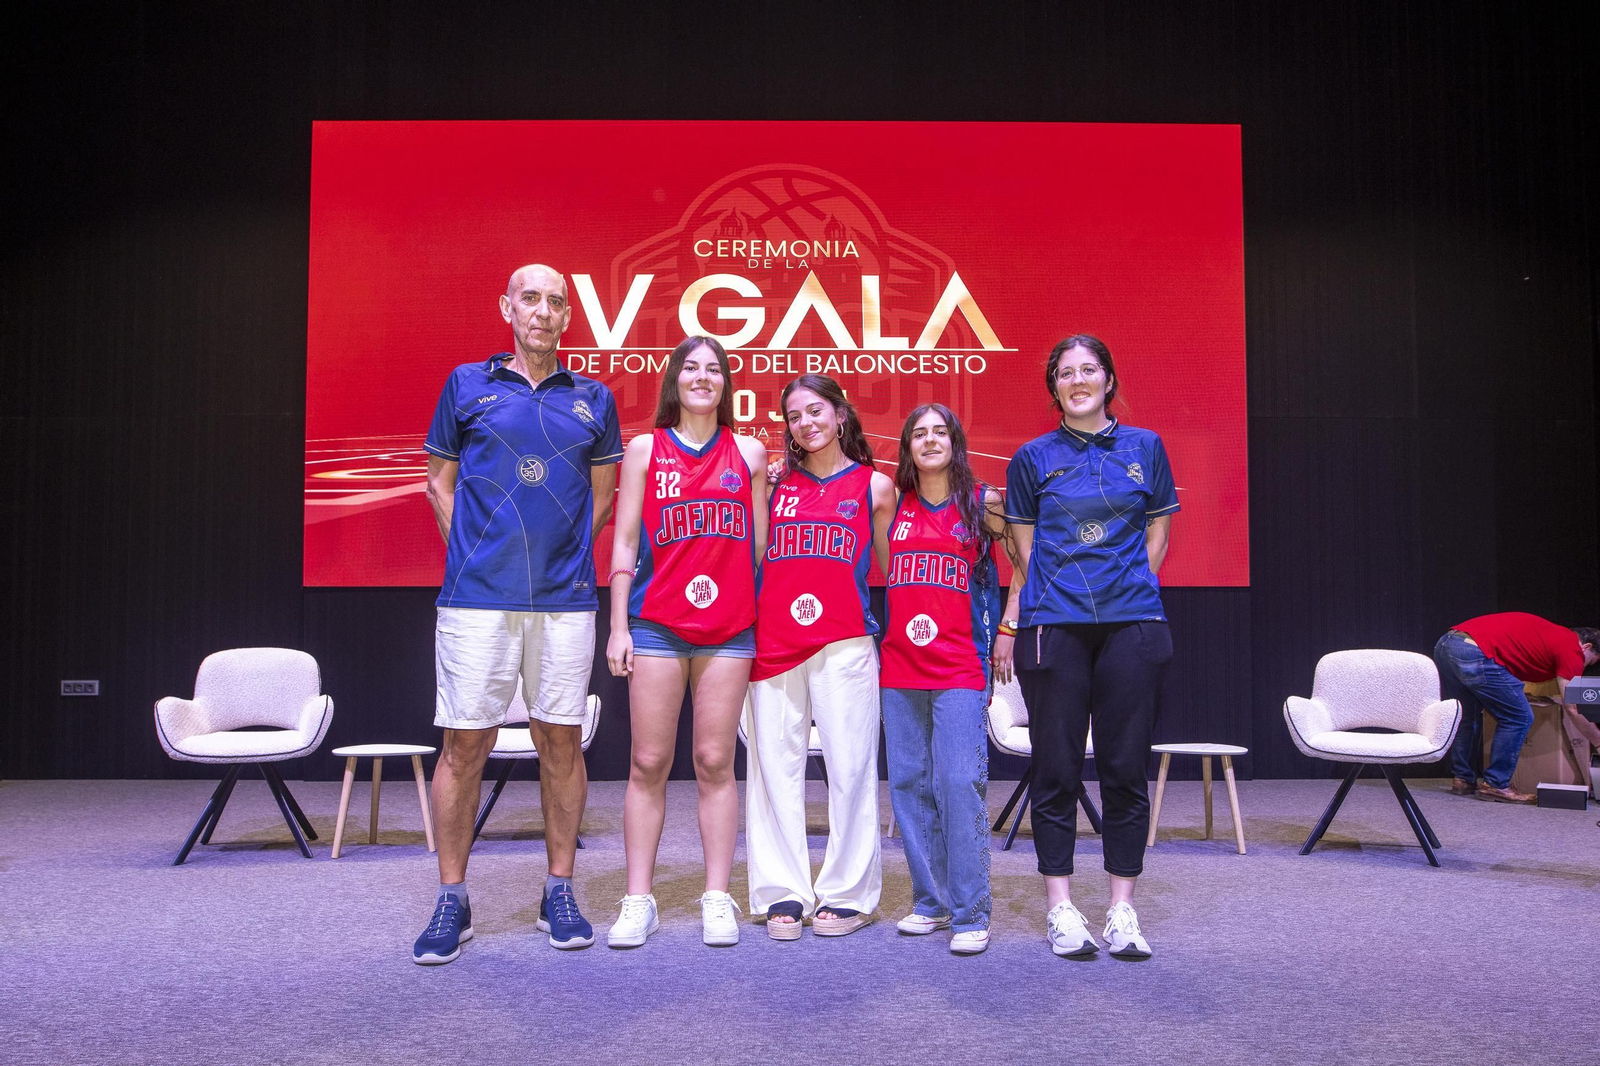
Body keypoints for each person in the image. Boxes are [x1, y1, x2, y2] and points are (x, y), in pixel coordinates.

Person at [412, 264, 622, 964]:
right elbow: (437, 484)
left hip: (564, 603)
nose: (542, 311)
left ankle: (558, 889)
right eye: (529, 298)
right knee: (463, 747)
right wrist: (474, 557)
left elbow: (601, 497)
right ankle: (451, 897)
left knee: (561, 743)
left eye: (555, 301)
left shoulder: (594, 397)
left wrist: (555, 559)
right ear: (507, 306)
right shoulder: (466, 385)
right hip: (475, 602)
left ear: (568, 316)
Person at [1002, 333, 1178, 960]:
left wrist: (1124, 584)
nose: (1077, 381)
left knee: (1126, 770)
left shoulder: (1146, 448)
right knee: (1055, 768)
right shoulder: (1031, 457)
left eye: (1088, 370)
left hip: (1134, 624)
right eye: (1065, 374)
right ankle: (1061, 908)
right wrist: (1064, 590)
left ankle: (1122, 910)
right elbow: (1021, 546)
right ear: (1054, 387)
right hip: (1055, 626)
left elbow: (1158, 532)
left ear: (1108, 379)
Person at [603, 336, 770, 948]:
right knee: (648, 762)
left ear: (726, 385)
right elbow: (623, 543)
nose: (703, 378)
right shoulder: (645, 449)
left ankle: (717, 896)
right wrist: (618, 626)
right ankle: (638, 899)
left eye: (714, 370)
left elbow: (758, 550)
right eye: (691, 369)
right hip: (654, 624)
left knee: (714, 762)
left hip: (730, 630)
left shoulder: (749, 453)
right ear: (674, 380)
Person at [745, 374, 895, 940]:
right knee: (773, 770)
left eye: (816, 411)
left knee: (852, 768)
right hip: (776, 642)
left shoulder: (874, 487)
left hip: (846, 641)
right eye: (794, 416)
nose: (805, 423)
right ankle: (783, 891)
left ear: (839, 414)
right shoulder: (774, 487)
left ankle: (848, 894)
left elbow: (893, 570)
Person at [880, 404, 1006, 955]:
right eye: (919, 434)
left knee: (959, 783)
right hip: (900, 666)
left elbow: (1024, 565)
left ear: (955, 441)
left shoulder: (984, 505)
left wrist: (1008, 628)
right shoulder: (892, 505)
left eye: (940, 432)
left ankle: (971, 908)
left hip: (961, 666)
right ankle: (929, 902)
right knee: (909, 785)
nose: (929, 441)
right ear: (907, 446)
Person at [1433, 613, 1599, 803]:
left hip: (1448, 643)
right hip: (1474, 650)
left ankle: (1463, 779)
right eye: (1590, 661)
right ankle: (1496, 784)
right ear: (1586, 647)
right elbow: (1572, 706)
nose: (1583, 667)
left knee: (1466, 717)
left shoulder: (1551, 636)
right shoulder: (1571, 648)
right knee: (1519, 717)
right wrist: (1598, 741)